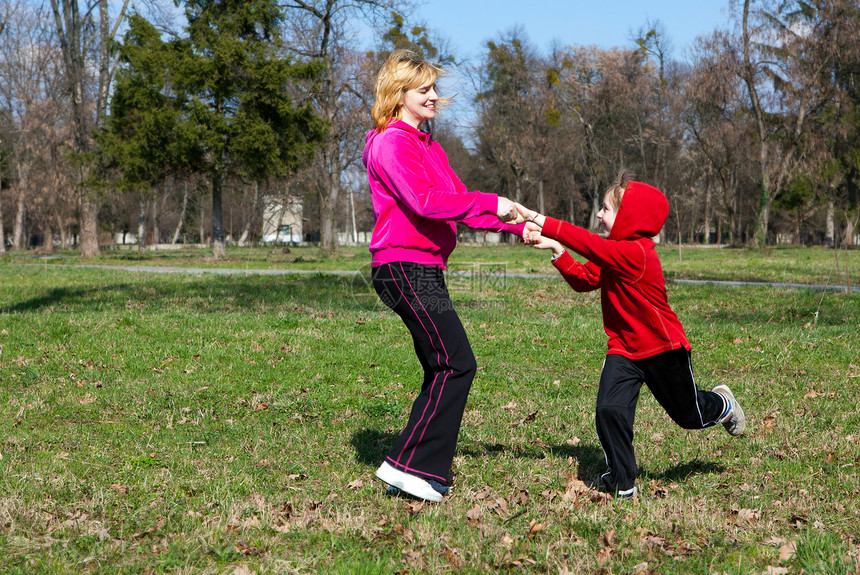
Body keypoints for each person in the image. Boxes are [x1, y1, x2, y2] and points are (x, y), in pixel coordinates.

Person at [515, 170, 745, 498]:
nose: (598, 214)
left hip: (662, 349)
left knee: (690, 416)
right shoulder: (614, 251)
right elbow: (583, 279)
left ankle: (722, 403)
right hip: (624, 348)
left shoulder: (636, 253)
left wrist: (537, 217)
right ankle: (622, 484)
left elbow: (589, 245)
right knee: (610, 410)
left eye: (606, 209)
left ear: (630, 216)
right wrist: (554, 248)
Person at [363, 49, 524, 502]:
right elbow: (425, 202)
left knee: (443, 364)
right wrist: (491, 202)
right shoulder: (390, 142)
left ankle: (416, 466)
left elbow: (458, 201)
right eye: (424, 89)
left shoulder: (428, 144)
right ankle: (410, 466)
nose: (435, 96)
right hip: (403, 267)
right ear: (399, 96)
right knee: (456, 362)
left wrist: (515, 223)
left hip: (423, 268)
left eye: (433, 88)